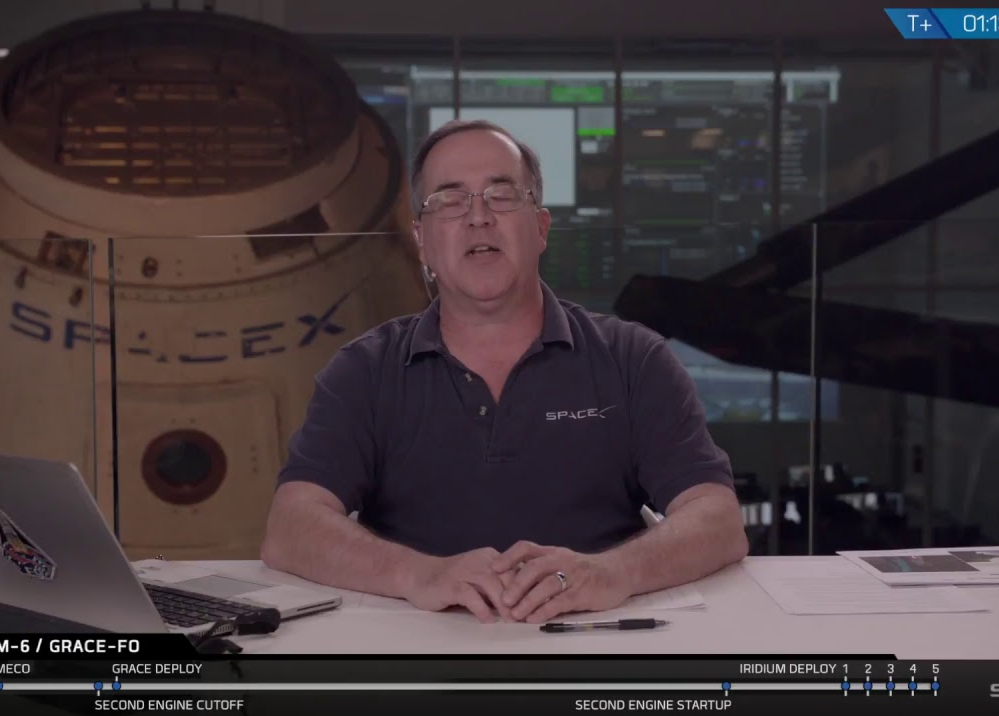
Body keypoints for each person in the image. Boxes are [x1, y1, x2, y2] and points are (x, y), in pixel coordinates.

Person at [261, 119, 747, 624]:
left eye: (502, 195)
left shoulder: (632, 359)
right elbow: (291, 527)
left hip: (590, 644)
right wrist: (418, 574)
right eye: (450, 200)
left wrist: (613, 572)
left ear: (540, 228)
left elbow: (717, 518)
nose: (478, 217)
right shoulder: (364, 370)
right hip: (416, 650)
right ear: (421, 241)